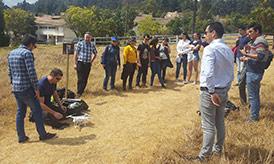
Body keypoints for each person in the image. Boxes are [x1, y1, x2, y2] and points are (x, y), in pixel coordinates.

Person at [8, 34, 56, 143]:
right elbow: (32, 73)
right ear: (30, 44)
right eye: (34, 46)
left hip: (16, 88)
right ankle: (43, 135)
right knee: (37, 111)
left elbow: (10, 72)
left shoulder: (11, 53)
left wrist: (13, 84)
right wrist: (36, 88)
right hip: (27, 88)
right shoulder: (27, 53)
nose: (34, 48)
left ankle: (21, 137)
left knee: (20, 112)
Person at [197, 22, 234, 161]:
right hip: (223, 89)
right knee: (219, 122)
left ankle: (204, 156)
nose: (205, 35)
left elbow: (208, 73)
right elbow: (231, 73)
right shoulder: (228, 49)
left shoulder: (210, 49)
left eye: (206, 32)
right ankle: (217, 150)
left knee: (207, 125)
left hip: (210, 92)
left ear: (213, 33)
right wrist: (225, 89)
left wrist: (212, 92)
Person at [240, 23, 269, 122]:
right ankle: (254, 115)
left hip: (254, 72)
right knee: (253, 95)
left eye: (251, 31)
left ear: (257, 31)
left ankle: (253, 118)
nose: (249, 34)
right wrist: (247, 58)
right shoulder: (256, 41)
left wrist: (246, 54)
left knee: (253, 96)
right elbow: (256, 55)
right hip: (253, 70)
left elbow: (260, 56)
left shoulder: (260, 41)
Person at [74, 32, 97, 97]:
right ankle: (78, 92)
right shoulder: (80, 44)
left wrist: (91, 61)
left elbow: (95, 53)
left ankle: (82, 91)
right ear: (84, 37)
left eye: (89, 37)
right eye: (86, 37)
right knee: (80, 78)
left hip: (88, 64)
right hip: (80, 63)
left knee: (85, 78)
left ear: (91, 38)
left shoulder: (92, 45)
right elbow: (76, 54)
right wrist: (75, 63)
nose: (87, 38)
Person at [236, 26, 250, 105]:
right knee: (239, 70)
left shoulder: (247, 38)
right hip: (239, 56)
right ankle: (240, 81)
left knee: (242, 70)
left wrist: (245, 54)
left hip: (244, 57)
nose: (239, 31)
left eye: (240, 30)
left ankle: (242, 82)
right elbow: (238, 46)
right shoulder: (240, 38)